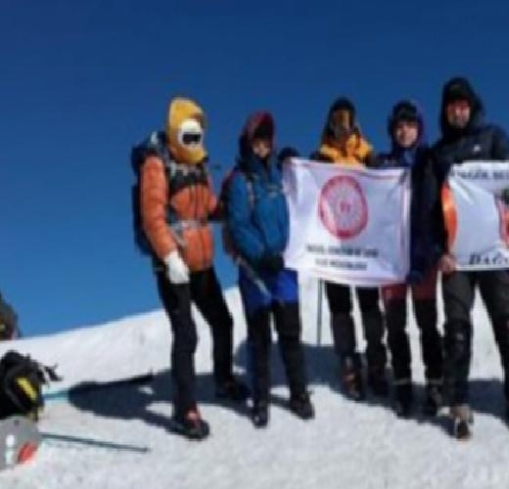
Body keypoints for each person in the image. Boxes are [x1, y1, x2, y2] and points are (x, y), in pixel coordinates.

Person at [431, 77, 509, 439]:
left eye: (463, 105)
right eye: (451, 106)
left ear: (472, 107)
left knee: (508, 322)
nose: (458, 112)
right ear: (445, 111)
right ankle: (458, 401)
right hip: (457, 255)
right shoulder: (438, 153)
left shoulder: (493, 138)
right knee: (456, 330)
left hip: (494, 251)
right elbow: (430, 208)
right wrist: (439, 251)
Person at [139, 97, 247, 440]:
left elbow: (207, 207)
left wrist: (228, 207)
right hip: (172, 266)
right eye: (187, 137)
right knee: (186, 334)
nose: (193, 143)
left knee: (222, 321)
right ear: (174, 133)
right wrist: (170, 257)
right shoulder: (156, 164)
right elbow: (152, 216)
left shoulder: (199, 165)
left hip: (201, 263)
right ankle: (184, 409)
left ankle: (223, 380)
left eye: (197, 136)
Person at [224, 112, 314, 428]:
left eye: (266, 141)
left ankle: (299, 394)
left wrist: (296, 165)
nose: (261, 147)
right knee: (260, 339)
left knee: (290, 335)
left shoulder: (279, 175)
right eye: (256, 141)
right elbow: (238, 225)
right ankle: (260, 400)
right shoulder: (240, 181)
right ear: (247, 143)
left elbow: (303, 198)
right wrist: (261, 255)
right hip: (256, 273)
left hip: (284, 270)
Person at [311, 97, 388, 401]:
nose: (342, 125)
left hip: (363, 246)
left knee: (370, 306)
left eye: (347, 119)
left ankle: (376, 362)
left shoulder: (368, 156)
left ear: (355, 123)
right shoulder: (321, 157)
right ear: (329, 123)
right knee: (340, 307)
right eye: (336, 119)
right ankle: (349, 364)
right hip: (334, 247)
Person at [378, 101, 443, 417]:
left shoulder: (431, 160)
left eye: (410, 125)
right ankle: (402, 382)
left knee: (427, 323)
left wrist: (428, 254)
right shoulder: (382, 165)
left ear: (420, 128)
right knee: (395, 325)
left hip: (424, 255)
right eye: (399, 127)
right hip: (391, 259)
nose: (404, 131)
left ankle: (435, 382)